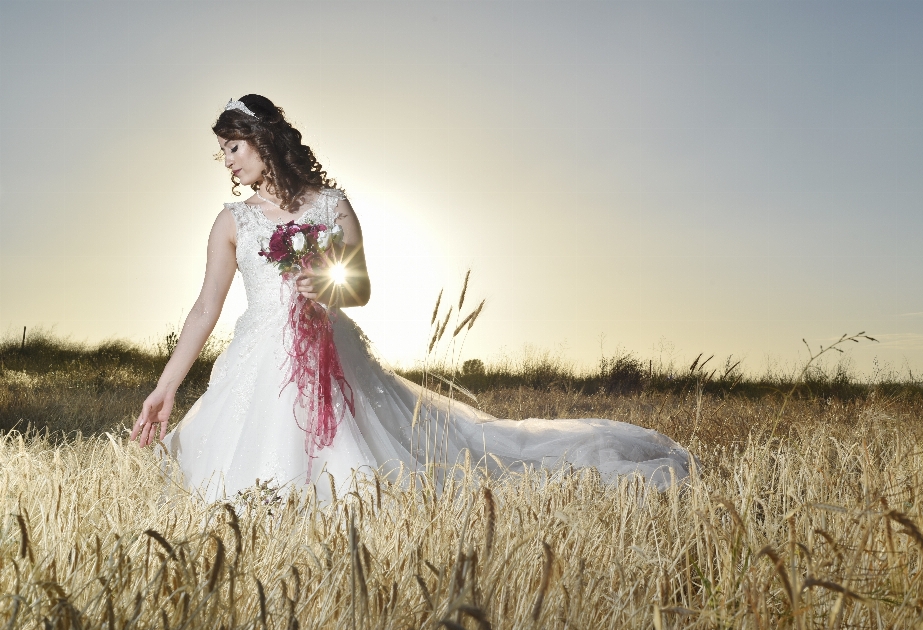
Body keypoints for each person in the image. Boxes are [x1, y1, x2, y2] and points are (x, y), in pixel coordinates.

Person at [131, 95, 694, 502]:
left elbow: (361, 287)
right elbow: (206, 308)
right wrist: (166, 386)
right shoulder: (232, 221)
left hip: (330, 349)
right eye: (223, 152)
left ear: (263, 141)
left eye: (232, 146)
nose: (227, 160)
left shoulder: (331, 204)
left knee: (384, 468)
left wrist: (321, 284)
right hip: (258, 356)